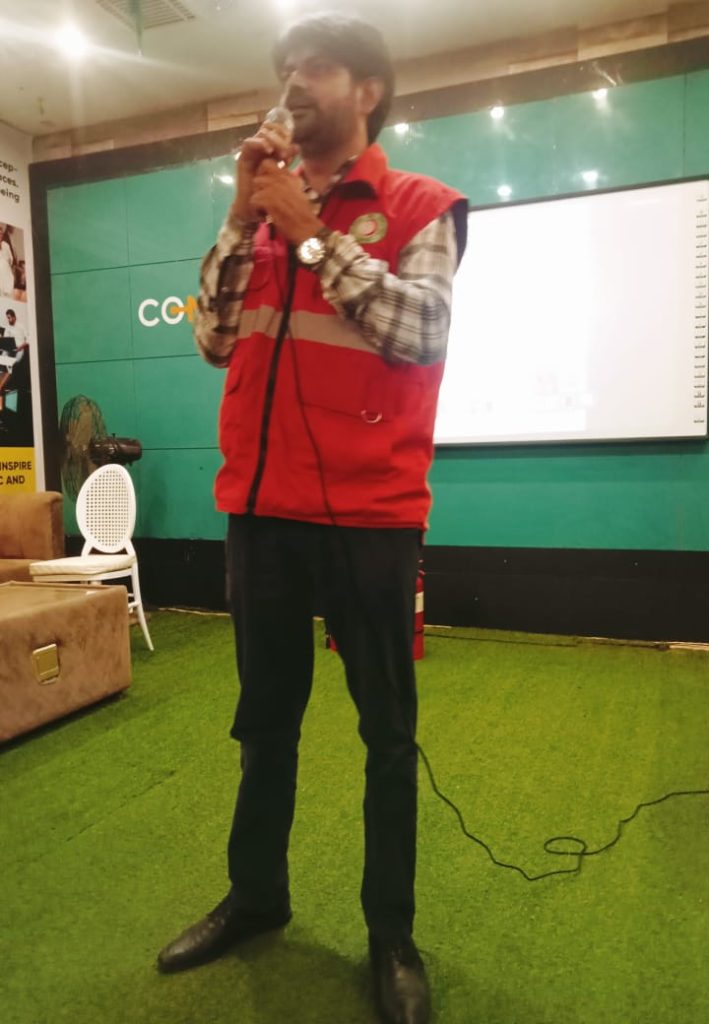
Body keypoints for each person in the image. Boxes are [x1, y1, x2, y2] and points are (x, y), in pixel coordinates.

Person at [157, 13, 467, 1024]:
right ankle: (257, 896)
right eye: (287, 66)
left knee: (384, 735)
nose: (296, 80)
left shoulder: (420, 206)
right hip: (259, 512)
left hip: (373, 519)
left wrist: (310, 230)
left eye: (319, 66)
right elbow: (210, 337)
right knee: (265, 725)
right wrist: (244, 215)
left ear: (367, 90)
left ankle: (392, 938)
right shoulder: (258, 207)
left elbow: (418, 334)